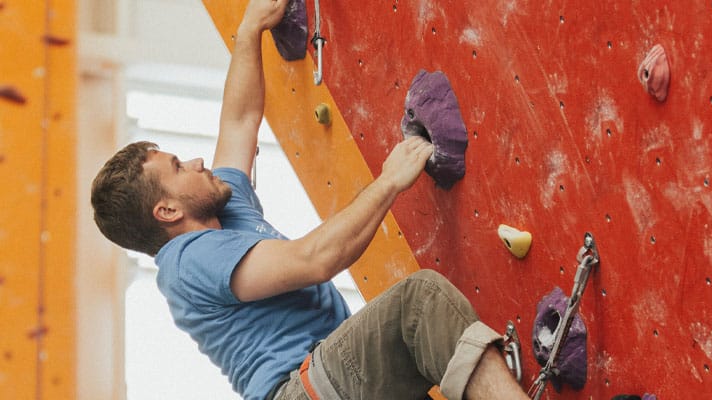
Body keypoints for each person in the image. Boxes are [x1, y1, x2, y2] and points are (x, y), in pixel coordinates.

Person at [91, 1, 529, 399]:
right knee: (421, 303)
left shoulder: (222, 208)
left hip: (328, 380)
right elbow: (315, 260)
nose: (197, 160)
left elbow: (241, 120)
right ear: (167, 211)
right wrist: (390, 182)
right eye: (178, 167)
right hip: (300, 390)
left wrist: (250, 31)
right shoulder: (189, 262)